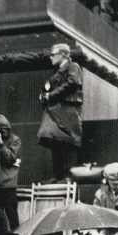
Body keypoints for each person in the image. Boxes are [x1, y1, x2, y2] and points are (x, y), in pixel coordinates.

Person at [37, 42, 84, 181]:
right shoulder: (57, 72)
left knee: (68, 141)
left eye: (53, 54)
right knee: (54, 140)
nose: (50, 57)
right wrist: (43, 95)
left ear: (63, 54)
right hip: (55, 110)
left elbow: (73, 83)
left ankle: (68, 176)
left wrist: (50, 95)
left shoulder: (73, 67)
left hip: (67, 110)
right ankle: (57, 175)